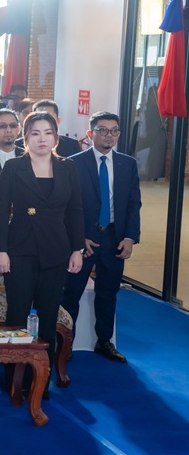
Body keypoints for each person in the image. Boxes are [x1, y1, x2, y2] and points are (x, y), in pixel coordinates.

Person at [0, 112, 85, 395]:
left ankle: (40, 380)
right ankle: (14, 378)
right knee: (18, 314)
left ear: (56, 137)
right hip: (20, 249)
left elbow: (75, 211)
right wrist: (0, 250)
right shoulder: (13, 167)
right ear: (26, 138)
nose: (42, 139)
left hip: (56, 250)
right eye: (35, 133)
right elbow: (1, 211)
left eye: (47, 133)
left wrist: (77, 249)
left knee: (47, 315)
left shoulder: (68, 167)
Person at [61, 111, 140, 364]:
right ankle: (65, 343)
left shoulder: (127, 164)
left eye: (114, 130)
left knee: (108, 292)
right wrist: (78, 237)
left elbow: (133, 203)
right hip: (83, 239)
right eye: (102, 130)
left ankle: (104, 341)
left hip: (114, 238)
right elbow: (66, 205)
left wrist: (130, 237)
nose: (109, 135)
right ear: (90, 133)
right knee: (71, 293)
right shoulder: (72, 163)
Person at [14, 99, 81, 158]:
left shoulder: (71, 145)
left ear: (58, 120)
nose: (44, 121)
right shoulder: (19, 144)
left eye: (49, 118)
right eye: (39, 117)